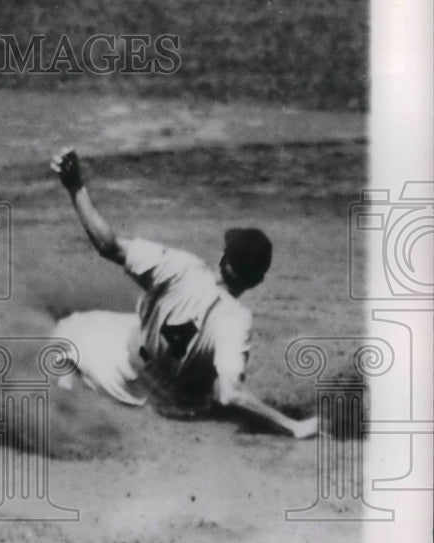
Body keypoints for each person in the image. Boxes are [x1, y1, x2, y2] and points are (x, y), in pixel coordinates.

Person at [49, 147, 317, 439]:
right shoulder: (238, 320)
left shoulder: (181, 267)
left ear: (222, 258)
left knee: (66, 330)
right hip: (178, 405)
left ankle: (68, 411)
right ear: (257, 280)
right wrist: (293, 425)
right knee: (210, 369)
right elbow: (230, 394)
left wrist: (75, 186)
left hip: (125, 378)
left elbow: (108, 246)